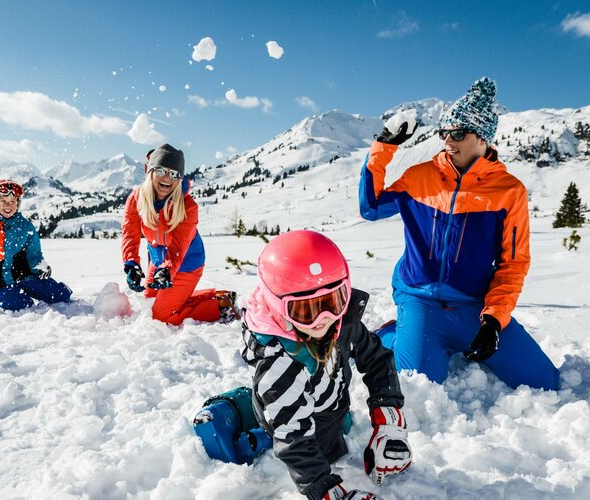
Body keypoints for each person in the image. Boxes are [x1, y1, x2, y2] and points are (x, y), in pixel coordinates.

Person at [358, 77, 559, 391]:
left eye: (458, 133)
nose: (448, 142)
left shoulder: (509, 192)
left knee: (544, 381)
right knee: (417, 390)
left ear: (483, 138)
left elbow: (513, 264)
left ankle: (447, 336)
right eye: (444, 133)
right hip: (420, 300)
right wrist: (383, 146)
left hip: (474, 306)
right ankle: (395, 332)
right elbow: (370, 207)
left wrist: (493, 320)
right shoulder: (419, 177)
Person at [241, 230, 411, 500]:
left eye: (333, 301)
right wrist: (329, 493)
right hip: (311, 430)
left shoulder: (340, 322)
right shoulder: (281, 365)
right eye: (305, 310)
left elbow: (377, 358)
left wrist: (389, 420)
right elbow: (296, 444)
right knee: (325, 448)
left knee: (324, 419)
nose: (323, 318)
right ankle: (256, 423)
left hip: (328, 404)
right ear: (277, 306)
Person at [121, 143, 238, 325]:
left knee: (162, 317)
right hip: (159, 261)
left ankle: (220, 306)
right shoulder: (136, 198)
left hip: (186, 263)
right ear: (150, 171)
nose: (168, 178)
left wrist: (167, 270)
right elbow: (130, 233)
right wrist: (131, 263)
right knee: (149, 300)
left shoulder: (188, 207)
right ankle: (216, 296)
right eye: (161, 170)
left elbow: (178, 248)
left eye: (174, 174)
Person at [0, 179, 72, 311]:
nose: (8, 206)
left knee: (60, 295)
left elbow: (34, 253)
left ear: (17, 204)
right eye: (3, 201)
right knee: (18, 305)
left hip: (23, 275)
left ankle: (36, 289)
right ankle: (9, 296)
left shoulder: (25, 226)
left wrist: (41, 266)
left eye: (12, 202)